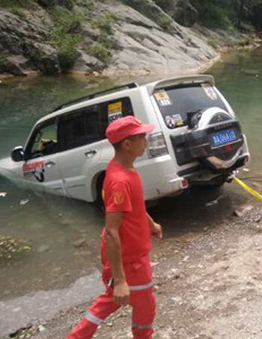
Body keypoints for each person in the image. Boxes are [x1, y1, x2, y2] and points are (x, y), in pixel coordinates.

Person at [68, 116, 163, 339]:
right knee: (137, 302)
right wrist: (120, 280)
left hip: (133, 254)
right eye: (141, 137)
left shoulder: (125, 168)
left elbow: (135, 208)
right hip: (130, 260)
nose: (146, 141)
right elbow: (111, 231)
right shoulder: (120, 180)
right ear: (127, 144)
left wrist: (150, 224)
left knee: (121, 299)